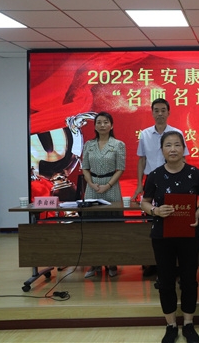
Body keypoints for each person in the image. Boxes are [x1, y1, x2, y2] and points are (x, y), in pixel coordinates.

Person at [141, 131, 199, 343]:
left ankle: (188, 323)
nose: (173, 149)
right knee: (166, 280)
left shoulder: (195, 173)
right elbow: (145, 202)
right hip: (162, 236)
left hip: (189, 234)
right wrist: (155, 211)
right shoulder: (154, 175)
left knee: (189, 280)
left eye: (177, 145)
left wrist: (197, 214)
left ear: (184, 148)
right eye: (168, 145)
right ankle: (171, 325)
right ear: (162, 150)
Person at [132, 98, 189, 277]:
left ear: (168, 112)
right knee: (152, 223)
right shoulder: (145, 134)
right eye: (156, 110)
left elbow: (183, 159)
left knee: (173, 220)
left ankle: (176, 264)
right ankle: (152, 263)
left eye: (163, 110)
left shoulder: (177, 133)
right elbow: (142, 160)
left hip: (173, 180)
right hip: (152, 182)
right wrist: (139, 184)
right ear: (152, 113)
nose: (160, 114)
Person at [81, 112, 126, 278]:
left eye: (105, 122)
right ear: (94, 126)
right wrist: (91, 184)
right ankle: (95, 264)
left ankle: (112, 263)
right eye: (98, 122)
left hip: (111, 186)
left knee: (112, 227)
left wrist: (108, 185)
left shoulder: (118, 145)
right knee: (92, 227)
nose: (102, 125)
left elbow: (120, 168)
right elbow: (85, 168)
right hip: (92, 186)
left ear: (111, 125)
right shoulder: (89, 144)